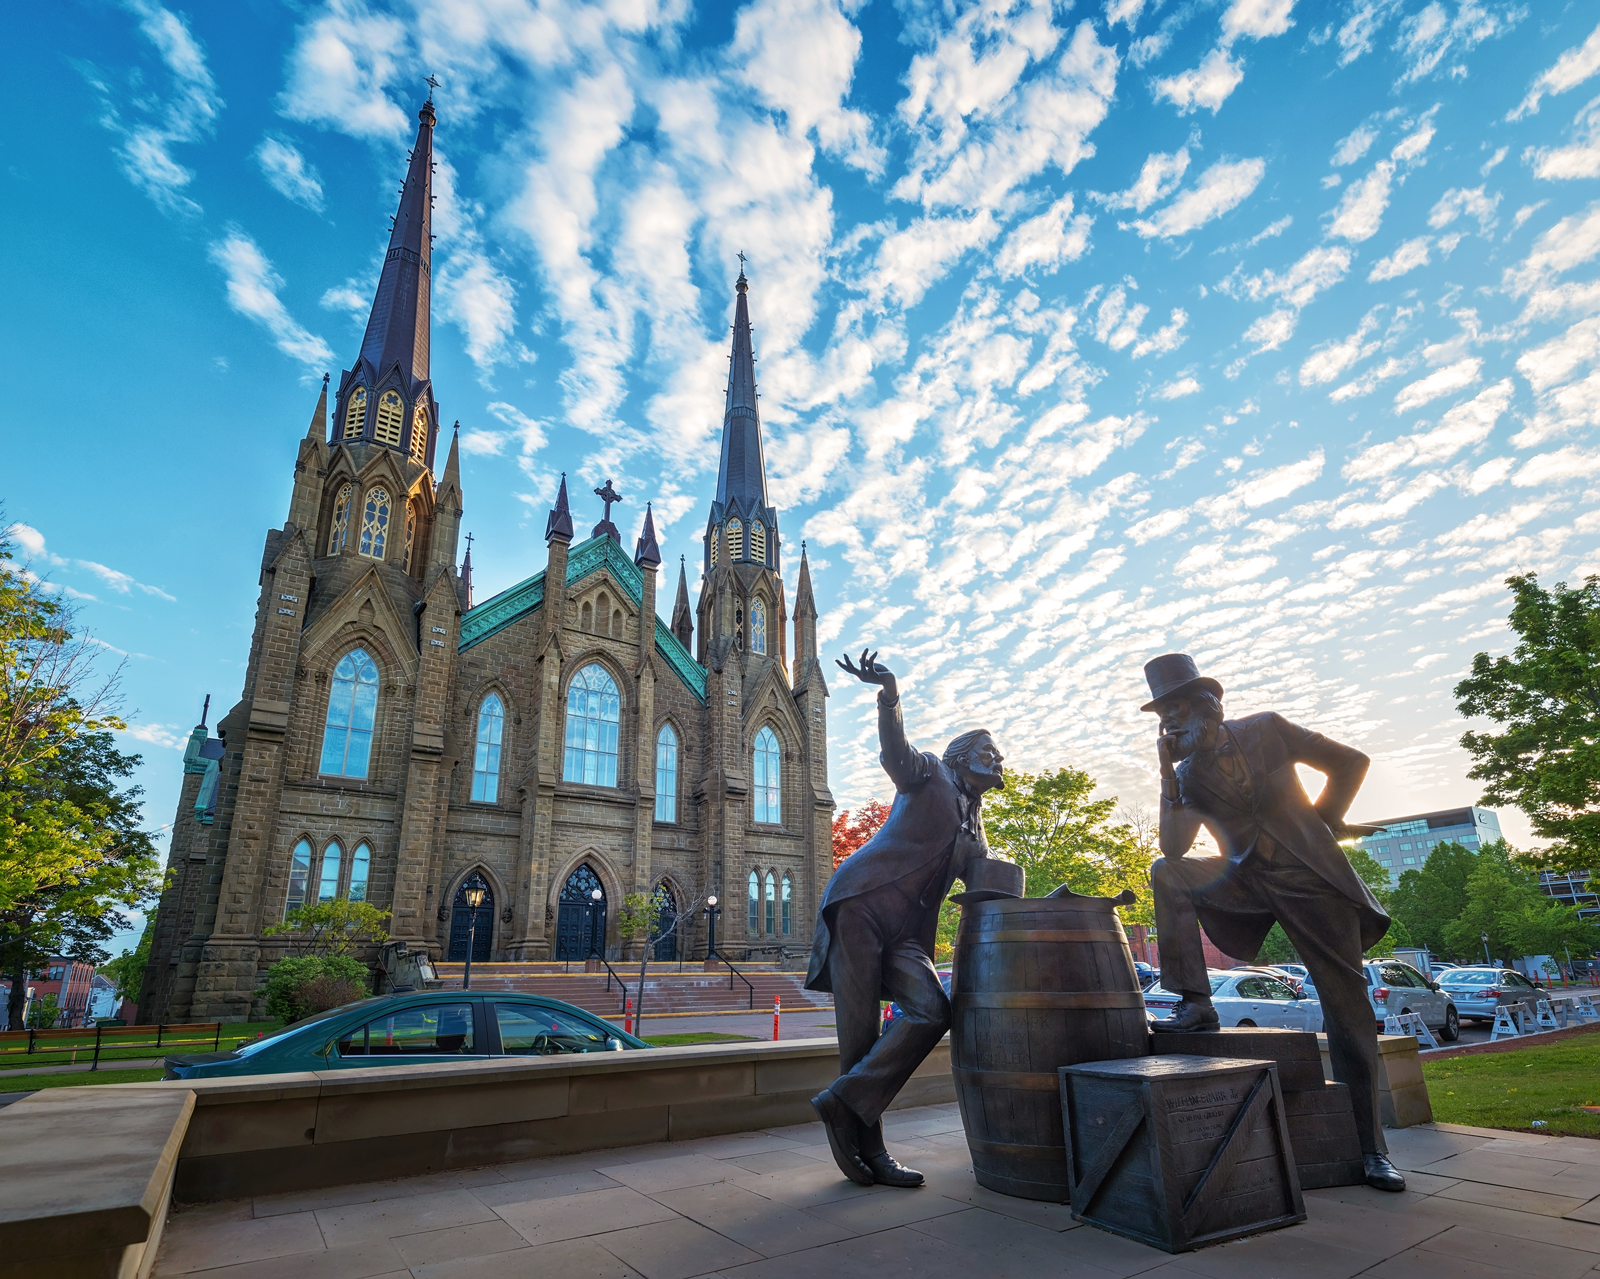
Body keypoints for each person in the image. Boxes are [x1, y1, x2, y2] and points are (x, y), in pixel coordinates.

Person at [1140, 652, 1407, 1193]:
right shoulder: (1186, 771)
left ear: (1208, 704)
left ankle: (1372, 1149)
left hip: (1308, 878)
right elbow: (1173, 845)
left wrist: (1325, 822)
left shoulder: (1266, 729)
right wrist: (1167, 775)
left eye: (1178, 707)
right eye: (1162, 713)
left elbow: (1351, 761)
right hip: (1242, 881)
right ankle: (1195, 1003)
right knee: (1166, 872)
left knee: (1347, 1006)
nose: (1170, 720)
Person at [806, 648, 1006, 1187]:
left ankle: (842, 1103)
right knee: (860, 1037)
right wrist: (889, 695)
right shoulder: (928, 773)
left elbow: (988, 886)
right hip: (862, 905)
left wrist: (1053, 902)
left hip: (906, 935)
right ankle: (869, 1148)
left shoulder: (977, 831)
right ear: (962, 756)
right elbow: (894, 751)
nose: (1000, 758)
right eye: (990, 749)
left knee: (930, 1010)